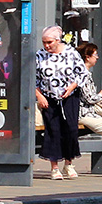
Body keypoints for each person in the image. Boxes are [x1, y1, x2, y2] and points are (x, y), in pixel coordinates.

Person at [36, 24, 87, 180]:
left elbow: (82, 73)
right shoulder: (39, 55)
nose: (47, 46)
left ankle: (69, 163)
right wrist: (39, 96)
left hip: (69, 97)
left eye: (50, 42)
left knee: (71, 129)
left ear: (58, 40)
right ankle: (54, 167)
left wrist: (71, 88)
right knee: (53, 130)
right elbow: (33, 78)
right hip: (49, 97)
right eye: (44, 42)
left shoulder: (71, 53)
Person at [76, 41, 102, 175]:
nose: (97, 57)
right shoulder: (83, 74)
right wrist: (101, 94)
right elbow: (89, 99)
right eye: (95, 55)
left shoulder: (85, 72)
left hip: (89, 112)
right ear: (87, 57)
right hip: (84, 114)